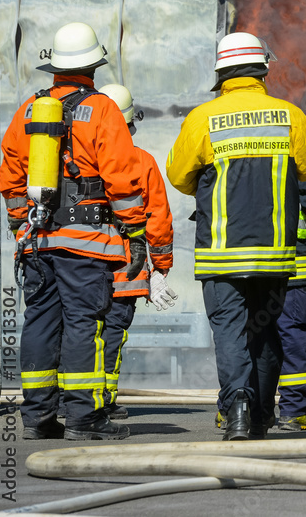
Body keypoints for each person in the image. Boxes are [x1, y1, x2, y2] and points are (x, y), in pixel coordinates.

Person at [166, 32, 306, 441]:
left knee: (231, 332)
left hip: (221, 253)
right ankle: (260, 415)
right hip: (273, 255)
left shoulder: (203, 119)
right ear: (263, 70)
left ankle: (236, 408)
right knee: (265, 331)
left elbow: (179, 176)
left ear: (220, 74)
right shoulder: (289, 116)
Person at [1, 22, 147, 440]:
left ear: (55, 70)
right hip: (86, 242)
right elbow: (121, 174)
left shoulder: (29, 108)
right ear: (93, 66)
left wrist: (19, 222)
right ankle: (84, 418)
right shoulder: (101, 109)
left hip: (38, 239)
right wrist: (134, 232)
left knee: (40, 322)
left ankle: (37, 418)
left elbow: (11, 172)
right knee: (84, 323)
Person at [97, 83, 177, 419]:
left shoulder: (74, 159)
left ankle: (67, 398)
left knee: (76, 329)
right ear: (130, 123)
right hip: (127, 268)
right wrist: (160, 267)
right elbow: (157, 216)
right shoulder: (141, 161)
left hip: (77, 265)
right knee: (112, 332)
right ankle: (102, 400)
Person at [274, 173, 306, 431]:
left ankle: (237, 409)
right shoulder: (299, 140)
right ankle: (294, 411)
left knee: (247, 339)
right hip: (295, 263)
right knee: (292, 338)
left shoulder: (230, 138)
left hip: (245, 266)